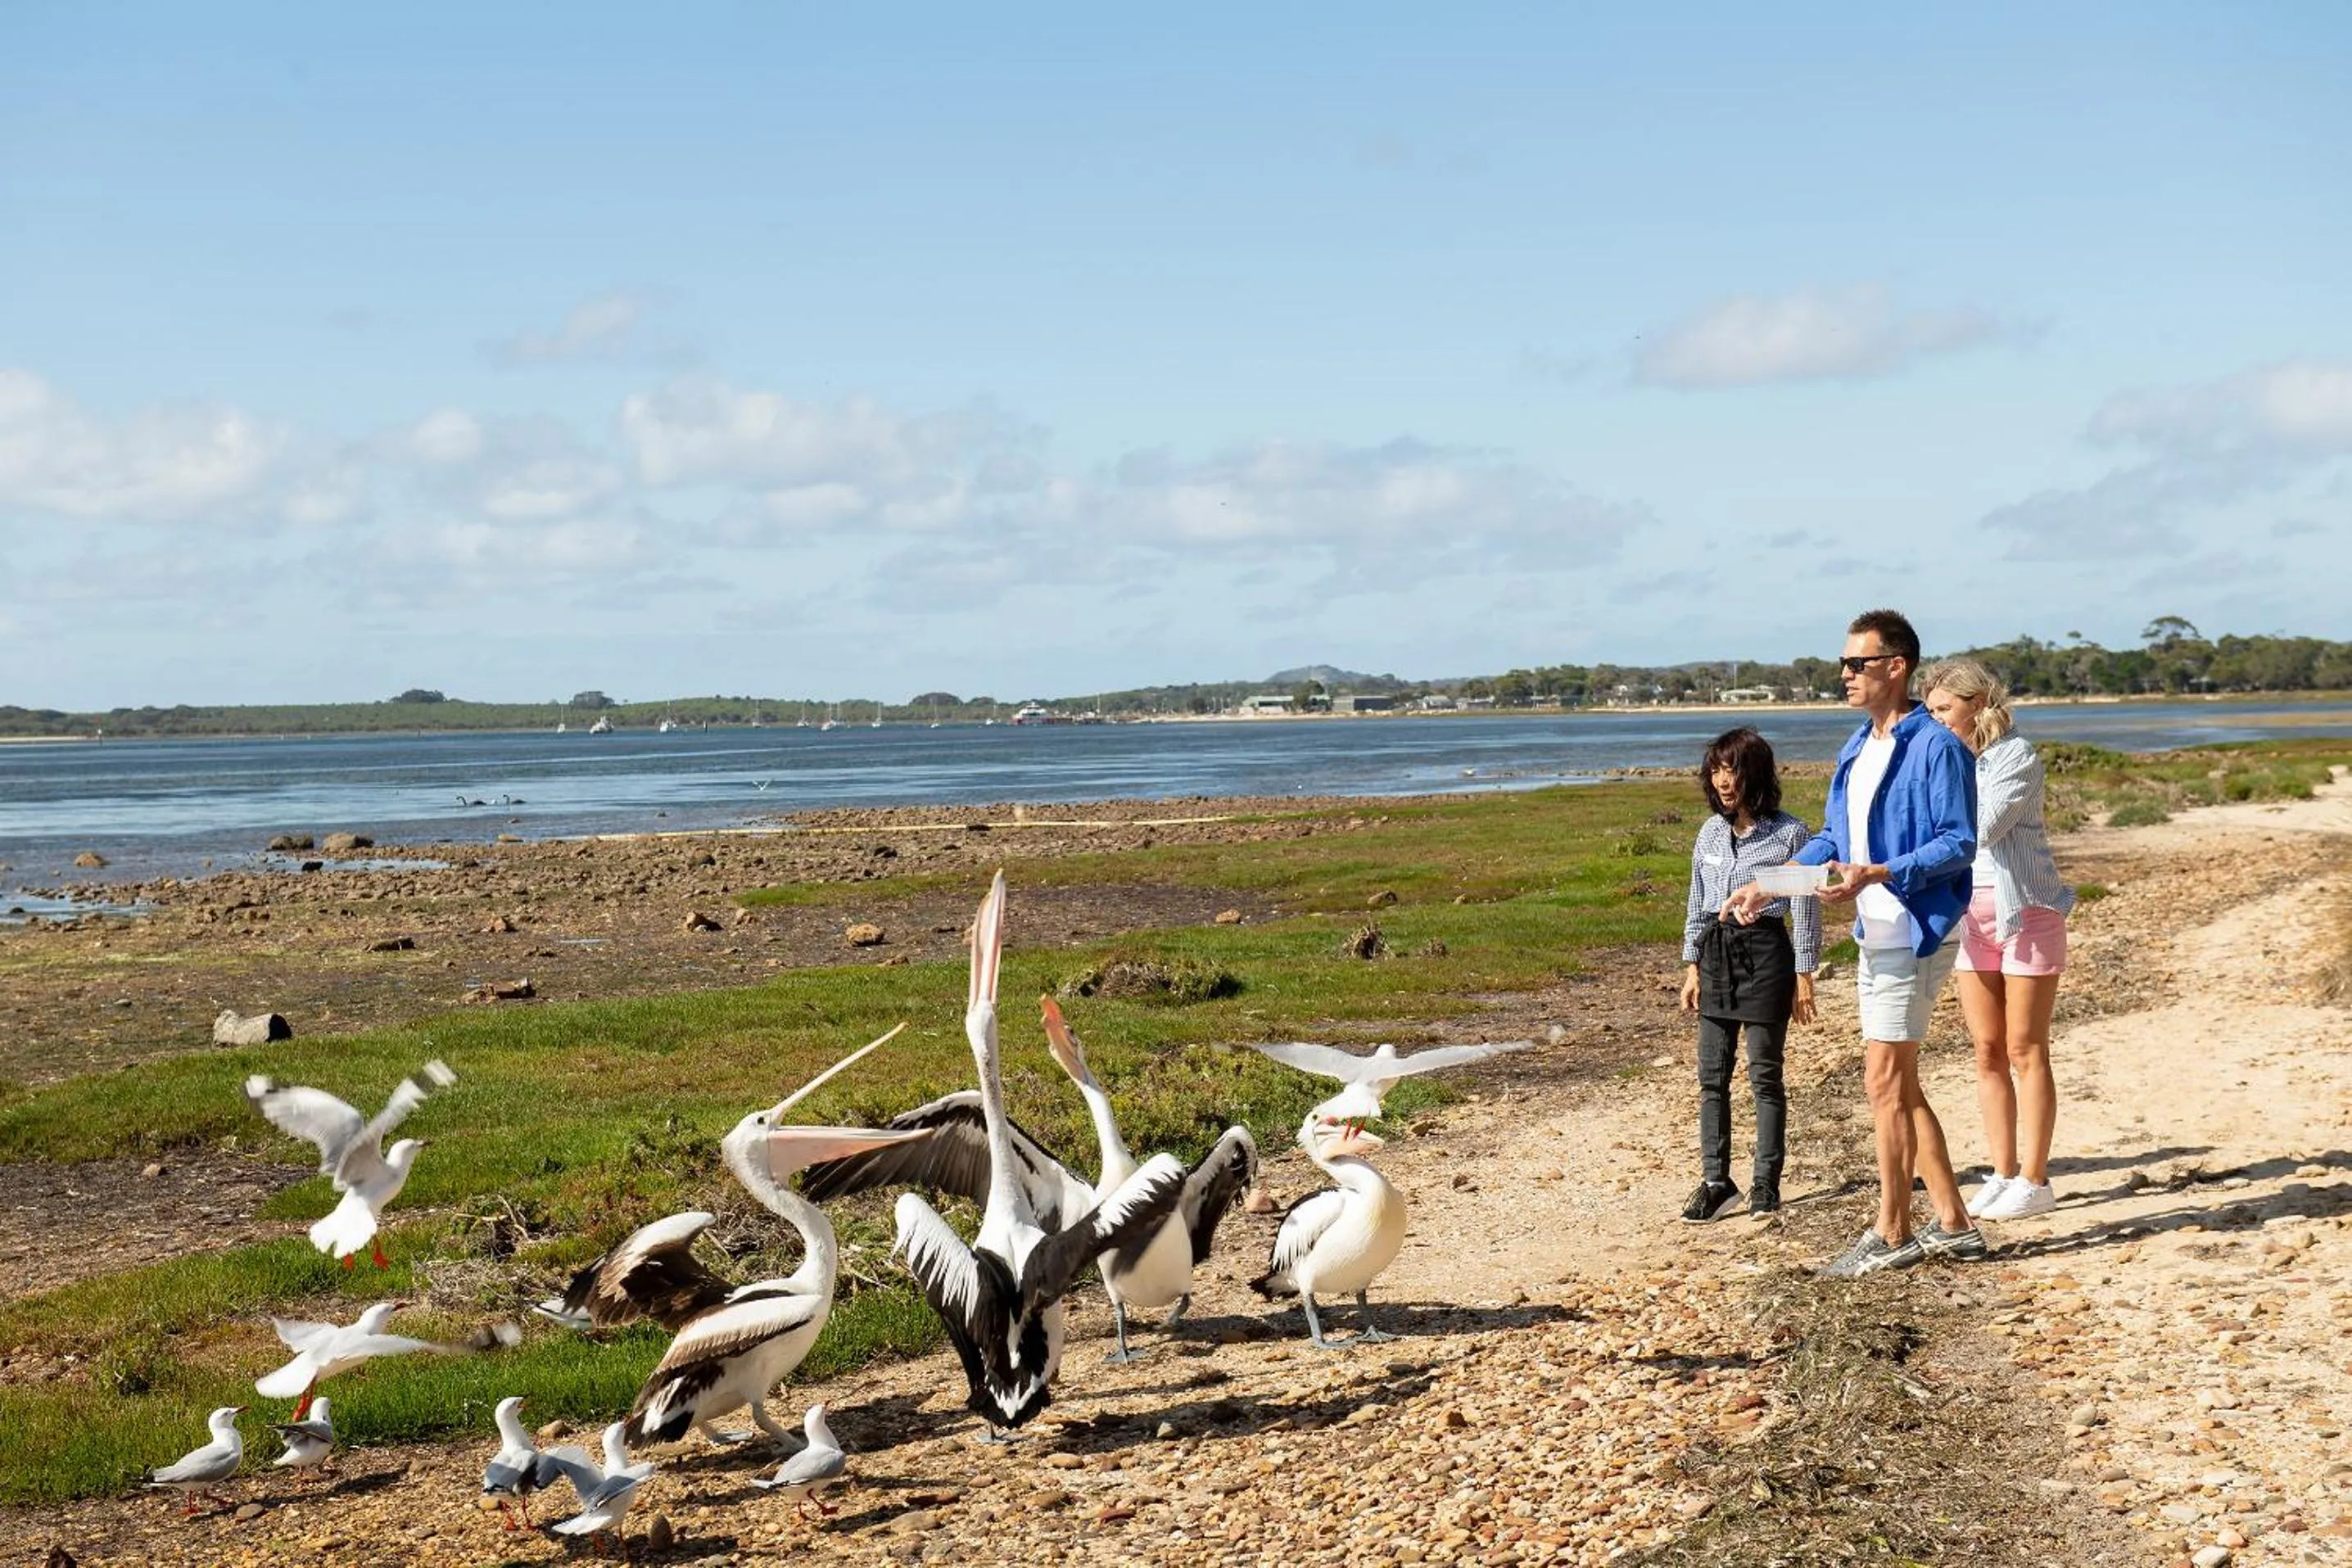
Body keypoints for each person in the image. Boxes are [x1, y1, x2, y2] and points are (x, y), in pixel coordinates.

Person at [1727, 608, 1985, 1275]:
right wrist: (1770, 883)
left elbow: (1959, 843)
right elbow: (1833, 840)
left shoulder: (1937, 747)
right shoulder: (1855, 748)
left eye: (1857, 663)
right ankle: (1954, 1221)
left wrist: (1882, 872)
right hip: (1877, 933)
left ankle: (1893, 1230)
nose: (1844, 673)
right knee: (1899, 1082)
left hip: (1916, 932)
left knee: (1883, 1081)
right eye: (1842, 663)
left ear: (1896, 667)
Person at [1920, 657, 2074, 1222]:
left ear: (1978, 703)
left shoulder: (2016, 755)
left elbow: (1978, 830)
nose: (1935, 719)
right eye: (1930, 711)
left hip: (2025, 911)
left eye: (1944, 708)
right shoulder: (1947, 759)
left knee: (2025, 1049)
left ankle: (2036, 1180)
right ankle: (2003, 1172)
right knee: (1986, 1049)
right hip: (1970, 917)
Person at [1678, 726, 1820, 1223]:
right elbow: (1696, 903)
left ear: (1754, 774)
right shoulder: (1708, 833)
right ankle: (1716, 1183)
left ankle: (1766, 1183)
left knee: (1765, 1075)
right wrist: (1692, 967)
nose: (1723, 780)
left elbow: (1805, 907)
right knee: (1711, 1077)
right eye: (1716, 770)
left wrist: (1804, 974)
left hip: (1766, 954)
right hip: (1716, 954)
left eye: (1732, 769)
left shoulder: (1791, 833)